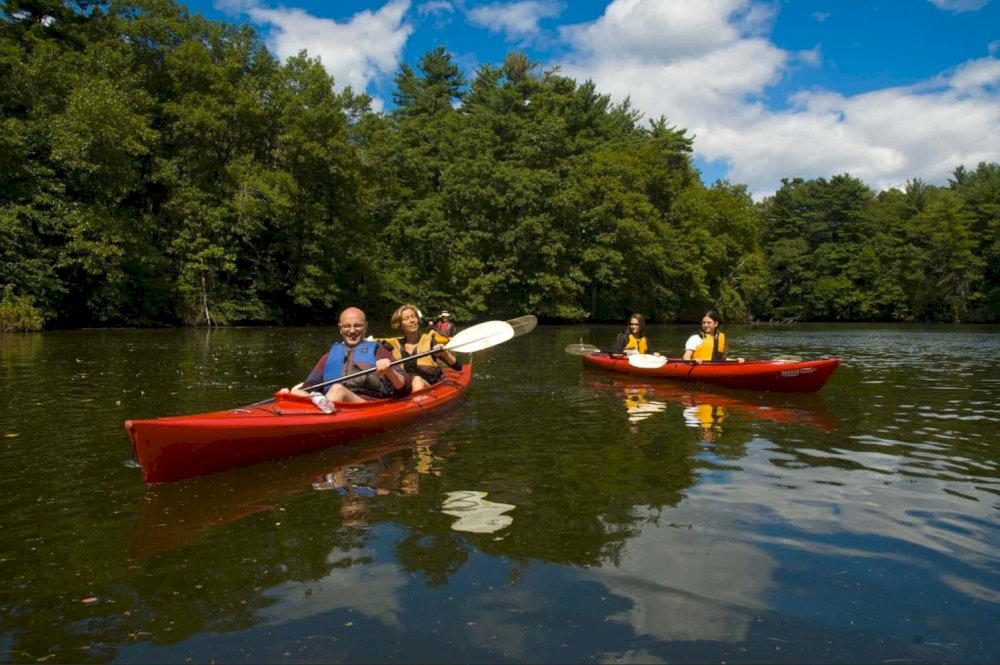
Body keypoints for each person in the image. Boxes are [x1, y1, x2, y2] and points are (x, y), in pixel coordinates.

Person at [279, 307, 409, 404]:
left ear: (365, 327)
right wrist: (290, 396)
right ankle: (319, 407)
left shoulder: (379, 352)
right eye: (347, 326)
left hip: (365, 405)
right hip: (333, 404)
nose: (352, 331)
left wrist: (390, 371)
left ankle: (322, 413)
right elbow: (310, 386)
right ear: (340, 329)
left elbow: (404, 388)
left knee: (337, 390)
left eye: (357, 326)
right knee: (295, 391)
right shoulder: (328, 357)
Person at [384, 303, 462, 392]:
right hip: (405, 390)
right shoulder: (392, 345)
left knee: (417, 380)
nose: (412, 320)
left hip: (430, 389)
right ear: (400, 324)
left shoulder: (429, 341)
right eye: (407, 318)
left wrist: (445, 353)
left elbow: (458, 367)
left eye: (413, 317)